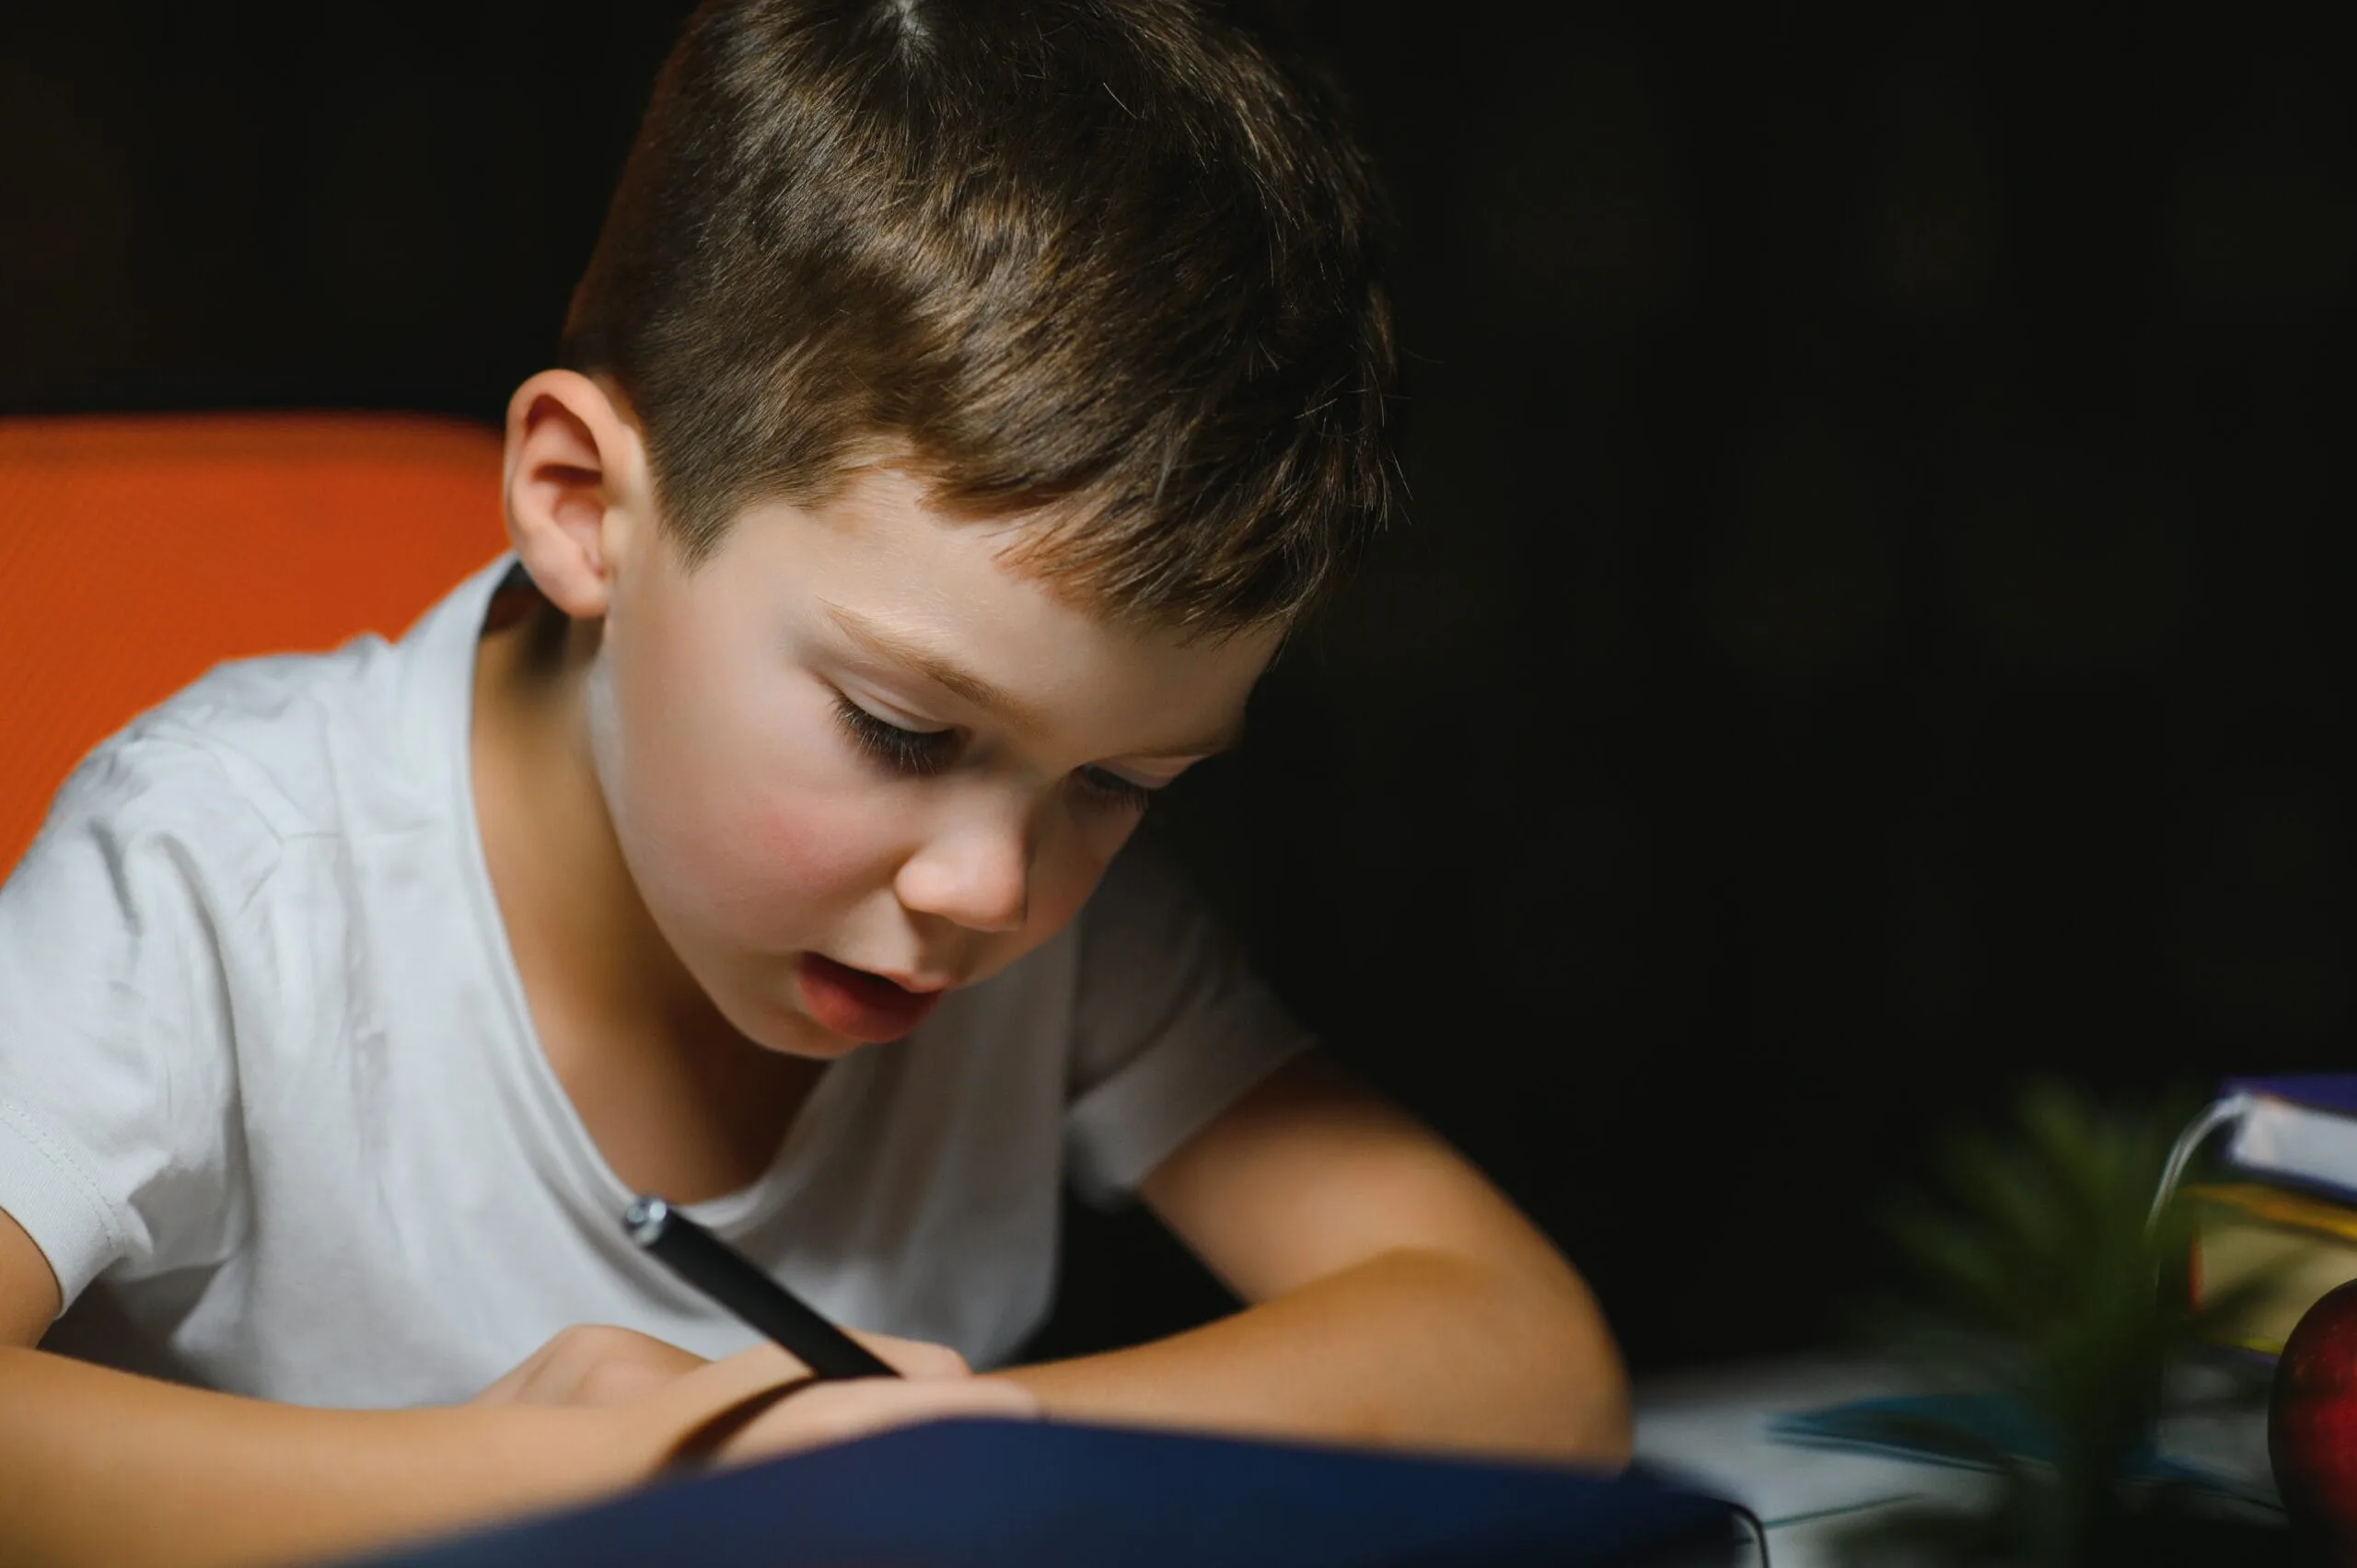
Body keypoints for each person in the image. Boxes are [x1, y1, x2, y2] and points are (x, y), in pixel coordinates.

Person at [0, 3, 1631, 1563]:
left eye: (1128, 778)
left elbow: (1527, 1357)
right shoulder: (224, 875)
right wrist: (583, 1491)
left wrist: (948, 1451)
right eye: (902, 730)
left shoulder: (1034, 901)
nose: (995, 889)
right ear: (582, 507)